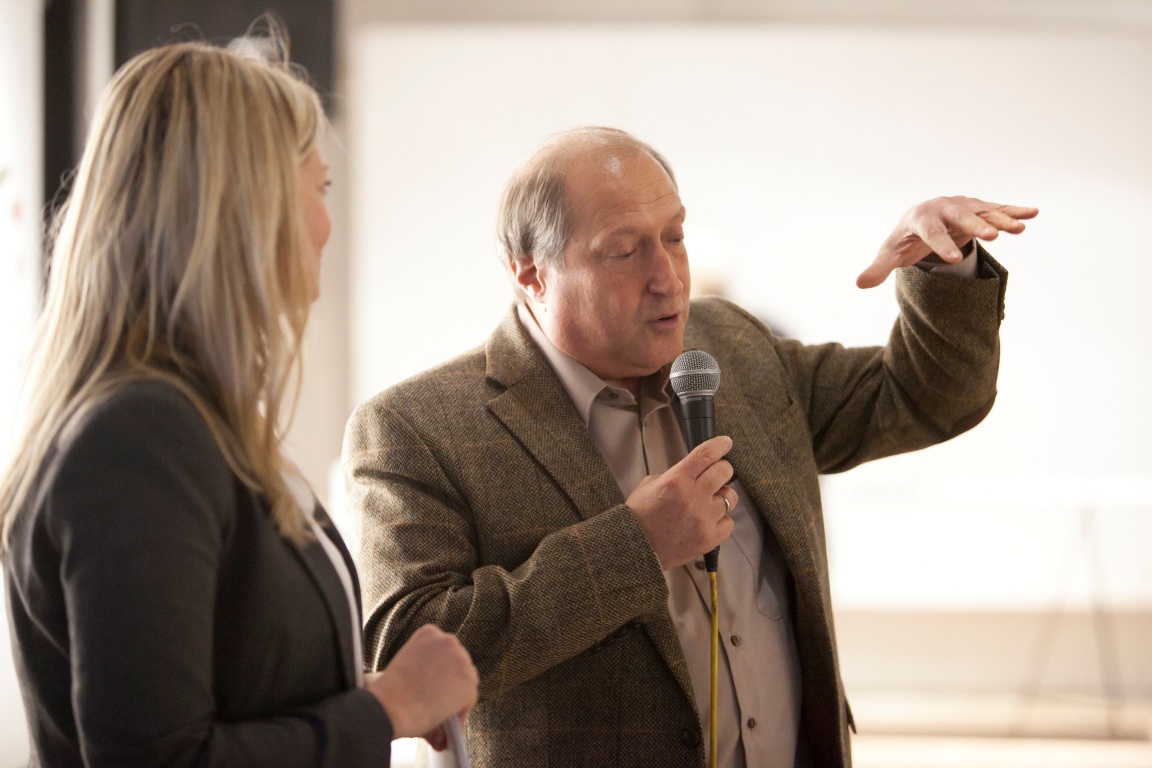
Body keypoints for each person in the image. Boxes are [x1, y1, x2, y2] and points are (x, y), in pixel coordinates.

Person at [343, 126, 1037, 768]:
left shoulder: (734, 344)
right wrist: (636, 546)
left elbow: (924, 400)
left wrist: (945, 270)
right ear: (532, 274)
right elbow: (406, 648)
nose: (669, 277)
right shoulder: (418, 427)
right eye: (625, 250)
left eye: (674, 237)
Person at [0, 32, 478, 768]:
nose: (326, 222)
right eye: (319, 188)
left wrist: (367, 699)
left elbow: (222, 687)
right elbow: (156, 759)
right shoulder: (139, 435)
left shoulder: (185, 418)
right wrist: (388, 708)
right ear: (246, 209)